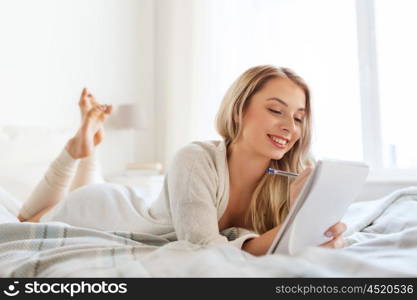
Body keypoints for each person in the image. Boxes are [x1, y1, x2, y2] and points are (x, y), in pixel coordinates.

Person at [17, 65, 346, 256]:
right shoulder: (195, 158)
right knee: (26, 220)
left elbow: (278, 241)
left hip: (131, 205)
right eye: (276, 110)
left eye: (299, 118)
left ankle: (85, 148)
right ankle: (77, 148)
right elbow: (203, 247)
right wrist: (292, 232)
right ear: (239, 110)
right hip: (105, 210)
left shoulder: (290, 175)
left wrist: (316, 227)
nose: (290, 127)